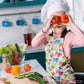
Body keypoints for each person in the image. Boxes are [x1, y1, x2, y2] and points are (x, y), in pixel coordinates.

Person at [31, 0, 84, 83]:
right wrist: (46, 28)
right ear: (50, 20)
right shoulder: (46, 36)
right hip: (51, 79)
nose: (59, 22)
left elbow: (83, 41)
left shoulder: (69, 36)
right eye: (55, 18)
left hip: (66, 80)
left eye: (62, 18)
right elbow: (34, 43)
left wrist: (71, 25)